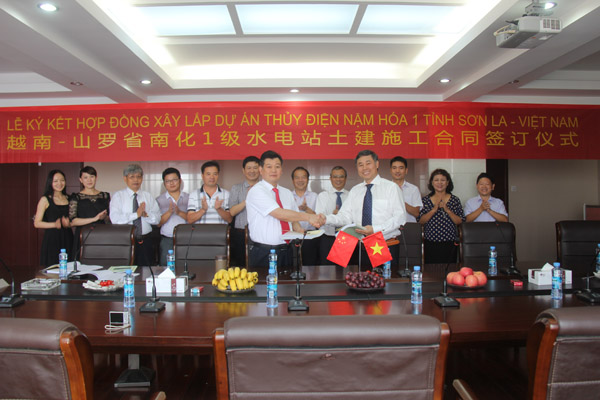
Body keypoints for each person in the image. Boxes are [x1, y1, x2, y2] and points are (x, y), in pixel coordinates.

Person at [323, 150, 407, 266]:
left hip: (382, 244)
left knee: (384, 277)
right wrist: (325, 219)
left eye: (368, 163)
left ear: (377, 164)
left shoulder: (391, 188)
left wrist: (375, 229)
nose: (364, 168)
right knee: (359, 277)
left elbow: (400, 218)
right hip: (359, 246)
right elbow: (345, 216)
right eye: (360, 165)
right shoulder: (355, 190)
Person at [246, 150, 324, 268]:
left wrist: (299, 229)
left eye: (277, 166)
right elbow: (280, 214)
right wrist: (309, 217)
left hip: (287, 251)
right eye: (269, 167)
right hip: (264, 252)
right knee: (264, 281)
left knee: (287, 280)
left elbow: (294, 219)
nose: (273, 170)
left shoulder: (286, 193)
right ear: (261, 170)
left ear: (281, 170)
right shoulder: (256, 191)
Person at [110, 164, 161, 266]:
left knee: (146, 271)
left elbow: (158, 219)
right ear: (125, 179)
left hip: (145, 241)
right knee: (126, 271)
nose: (136, 180)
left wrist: (146, 215)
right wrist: (136, 215)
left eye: (138, 176)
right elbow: (115, 219)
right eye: (132, 177)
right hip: (125, 241)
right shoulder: (118, 196)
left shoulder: (147, 196)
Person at [418, 168, 465, 264]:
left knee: (450, 269)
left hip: (450, 242)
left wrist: (447, 210)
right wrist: (434, 210)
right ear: (432, 183)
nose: (439, 183)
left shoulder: (454, 200)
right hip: (430, 243)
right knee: (431, 270)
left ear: (447, 183)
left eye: (443, 180)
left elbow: (460, 221)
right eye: (436, 180)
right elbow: (420, 221)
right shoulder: (425, 200)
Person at [68, 166, 110, 260]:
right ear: (80, 180)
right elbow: (73, 221)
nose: (89, 180)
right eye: (85, 177)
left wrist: (105, 217)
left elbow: (109, 220)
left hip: (102, 235)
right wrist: (95, 219)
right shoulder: (76, 197)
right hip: (83, 235)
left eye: (92, 176)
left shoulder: (105, 196)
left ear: (96, 178)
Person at [34, 169, 74, 267]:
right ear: (50, 182)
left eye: (62, 180)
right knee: (52, 269)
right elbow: (37, 223)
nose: (59, 183)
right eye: (55, 181)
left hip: (68, 237)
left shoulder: (69, 198)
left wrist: (69, 223)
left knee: (69, 268)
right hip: (52, 239)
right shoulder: (45, 199)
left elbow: (73, 219)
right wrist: (55, 224)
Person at [229, 156, 260, 267]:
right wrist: (247, 200)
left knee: (259, 266)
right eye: (249, 168)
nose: (252, 171)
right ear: (243, 170)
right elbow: (232, 212)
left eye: (255, 168)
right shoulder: (236, 188)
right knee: (241, 266)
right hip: (240, 233)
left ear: (260, 169)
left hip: (261, 232)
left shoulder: (265, 188)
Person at [315, 166, 349, 264]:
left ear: (345, 178)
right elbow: (319, 218)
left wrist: (342, 217)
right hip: (327, 238)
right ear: (330, 178)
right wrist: (333, 216)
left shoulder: (351, 195)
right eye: (335, 177)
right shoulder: (323, 196)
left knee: (344, 268)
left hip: (346, 239)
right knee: (327, 269)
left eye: (341, 176)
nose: (338, 179)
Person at [156, 167, 189, 266]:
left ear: (180, 180)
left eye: (174, 180)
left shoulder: (189, 198)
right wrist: (169, 212)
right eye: (168, 181)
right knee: (165, 267)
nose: (171, 183)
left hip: (187, 238)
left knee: (186, 266)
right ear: (164, 183)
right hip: (167, 239)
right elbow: (158, 223)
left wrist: (179, 212)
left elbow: (193, 219)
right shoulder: (159, 200)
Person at [187, 161, 232, 225]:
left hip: (220, 231)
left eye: (215, 174)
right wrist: (203, 210)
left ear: (218, 175)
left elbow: (230, 219)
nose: (212, 177)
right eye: (208, 174)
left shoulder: (226, 194)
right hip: (199, 231)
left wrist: (219, 209)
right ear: (202, 176)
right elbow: (189, 220)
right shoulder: (194, 195)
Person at [291, 166, 319, 265]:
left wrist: (306, 209)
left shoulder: (315, 196)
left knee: (310, 265)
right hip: (292, 236)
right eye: (297, 177)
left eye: (303, 177)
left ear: (307, 179)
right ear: (293, 180)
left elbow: (319, 218)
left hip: (311, 236)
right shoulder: (288, 196)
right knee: (293, 265)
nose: (300, 180)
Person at [390, 156, 422, 223]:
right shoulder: (385, 188)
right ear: (391, 170)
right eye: (394, 168)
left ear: (406, 171)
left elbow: (416, 213)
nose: (397, 171)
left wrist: (400, 199)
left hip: (409, 226)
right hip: (390, 227)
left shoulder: (413, 189)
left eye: (401, 168)